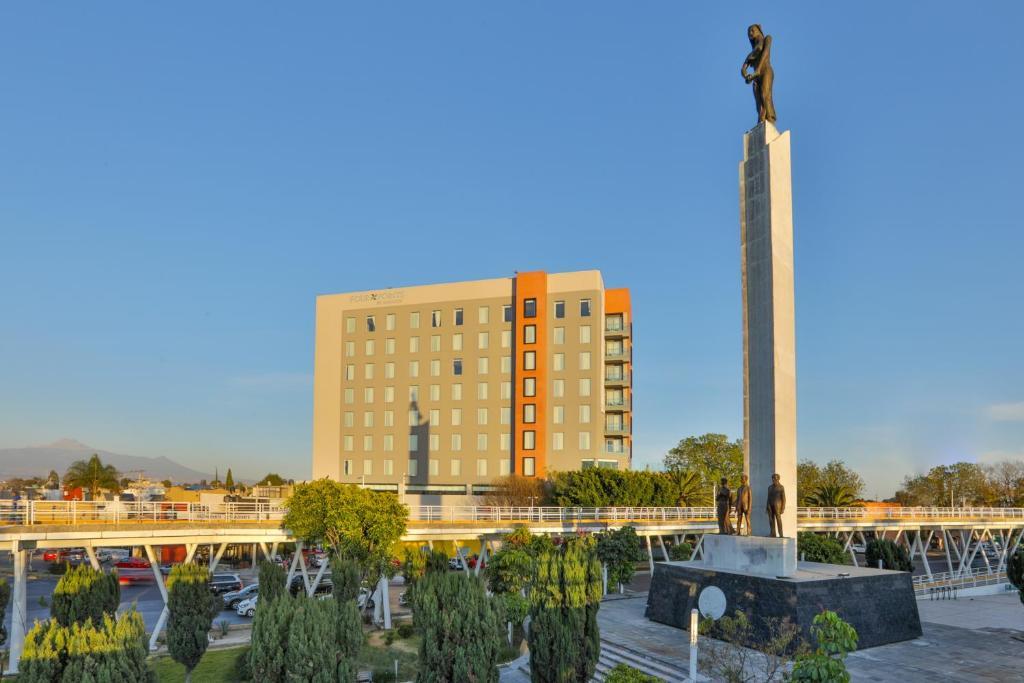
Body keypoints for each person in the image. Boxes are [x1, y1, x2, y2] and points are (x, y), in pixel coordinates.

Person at [766, 473, 786, 538]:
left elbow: (783, 498)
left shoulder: (781, 487)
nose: (774, 479)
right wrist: (767, 506)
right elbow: (768, 497)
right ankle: (772, 533)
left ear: (778, 479)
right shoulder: (770, 487)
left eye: (775, 478)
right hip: (770, 505)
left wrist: (783, 508)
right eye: (773, 478)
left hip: (778, 506)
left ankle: (781, 534)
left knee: (778, 519)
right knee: (771, 520)